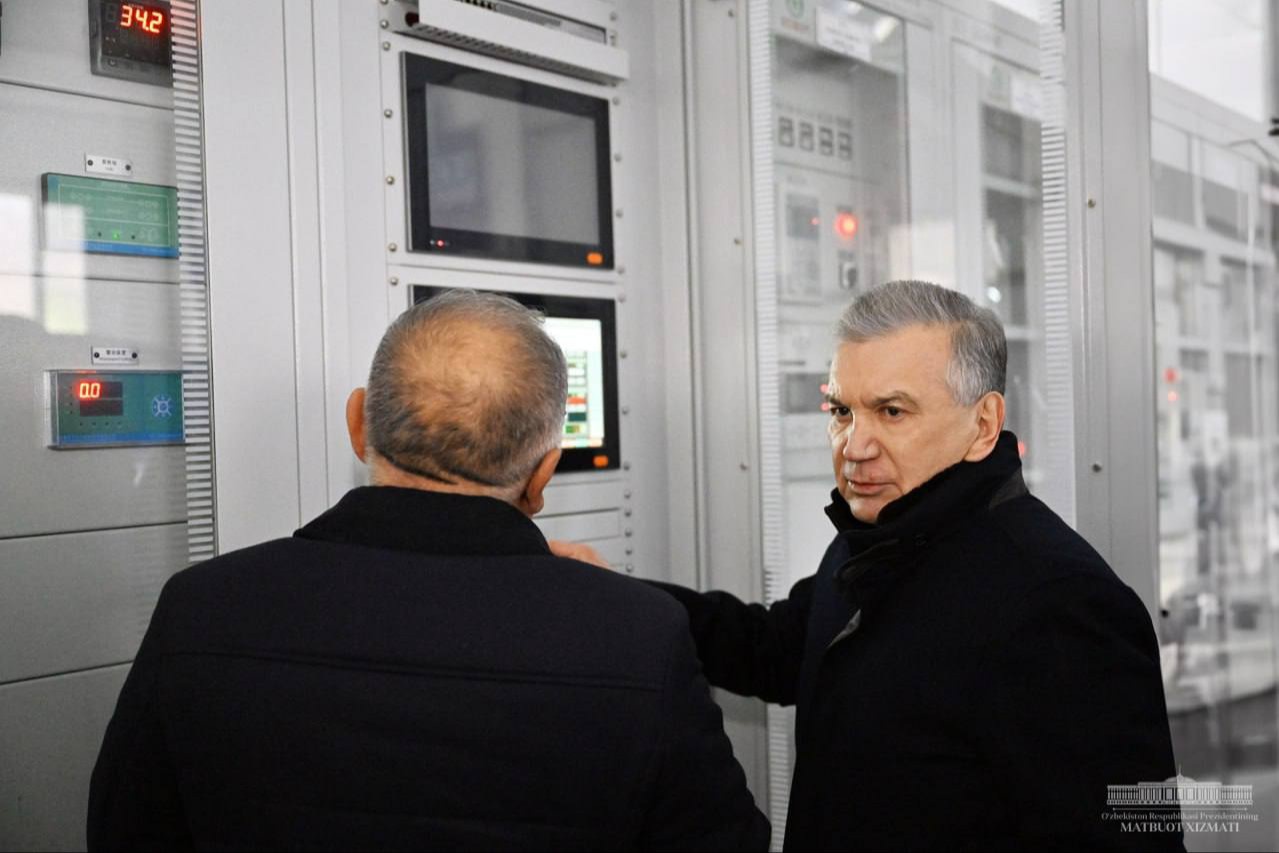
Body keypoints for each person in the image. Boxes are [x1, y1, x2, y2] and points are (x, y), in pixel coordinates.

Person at [88, 290, 769, 851]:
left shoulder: (201, 607)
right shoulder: (638, 636)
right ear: (542, 474)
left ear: (358, 424)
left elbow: (127, 830)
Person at [561, 280, 1183, 850]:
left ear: (983, 423)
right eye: (841, 412)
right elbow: (778, 648)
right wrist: (619, 597)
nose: (854, 447)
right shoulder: (880, 535)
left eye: (892, 412)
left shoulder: (1062, 603)